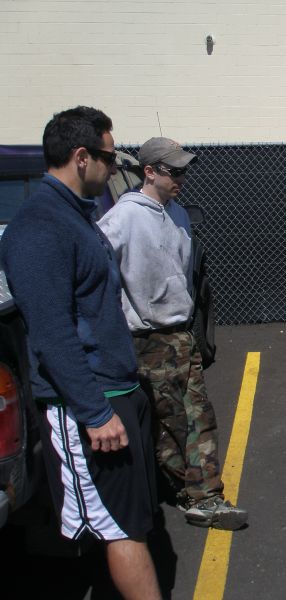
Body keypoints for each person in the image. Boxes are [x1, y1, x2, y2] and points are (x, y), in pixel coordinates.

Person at [0, 107, 161, 599]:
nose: (114, 169)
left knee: (132, 520)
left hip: (117, 392)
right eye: (109, 158)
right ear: (81, 156)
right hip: (89, 404)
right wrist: (94, 412)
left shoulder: (75, 217)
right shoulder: (39, 227)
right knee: (120, 529)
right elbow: (52, 334)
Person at [98, 137, 247, 531]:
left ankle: (204, 496)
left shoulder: (177, 213)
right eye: (174, 171)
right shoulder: (122, 218)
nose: (182, 178)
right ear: (149, 172)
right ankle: (191, 491)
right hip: (148, 341)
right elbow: (98, 277)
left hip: (181, 334)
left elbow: (183, 273)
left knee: (199, 417)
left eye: (184, 170)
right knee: (170, 424)